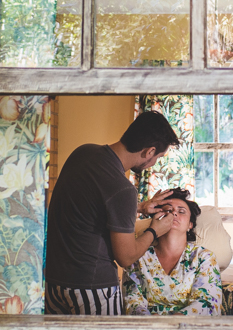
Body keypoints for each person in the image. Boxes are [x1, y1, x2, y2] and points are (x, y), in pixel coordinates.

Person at [45, 111, 181, 315]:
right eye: (158, 157)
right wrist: (154, 230)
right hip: (92, 289)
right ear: (149, 151)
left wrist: (139, 208)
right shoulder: (123, 190)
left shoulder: (82, 153)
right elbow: (125, 257)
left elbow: (88, 206)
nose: (154, 164)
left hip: (54, 284)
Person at [122, 188, 222, 316]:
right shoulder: (139, 256)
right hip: (148, 328)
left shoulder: (204, 257)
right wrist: (152, 322)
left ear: (190, 225)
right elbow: (132, 301)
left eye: (181, 211)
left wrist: (174, 322)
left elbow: (208, 303)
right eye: (167, 210)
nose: (174, 213)